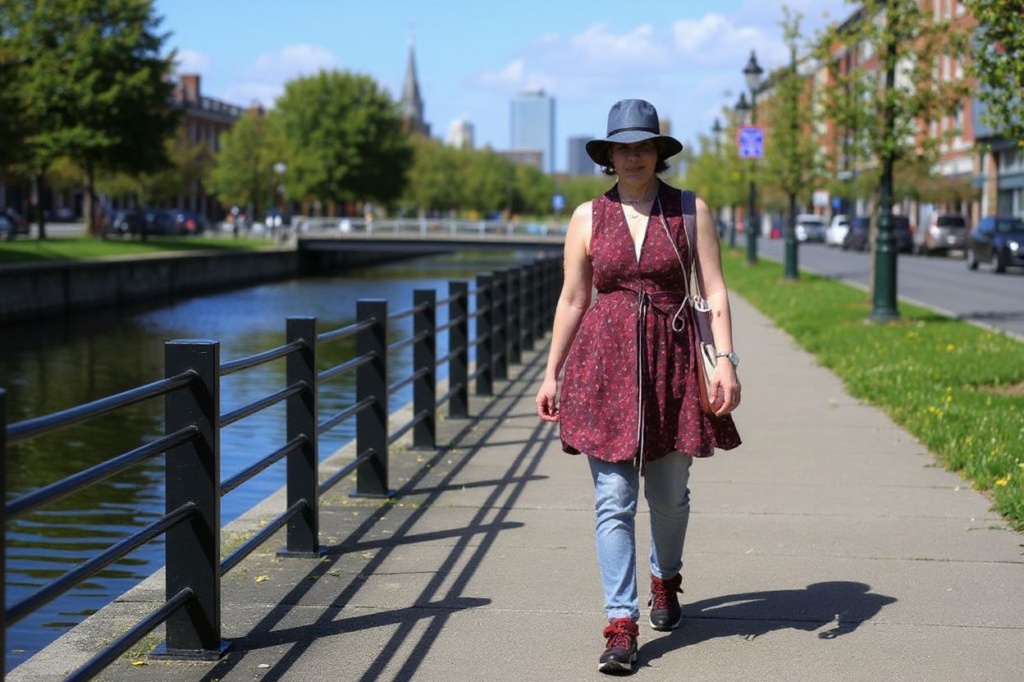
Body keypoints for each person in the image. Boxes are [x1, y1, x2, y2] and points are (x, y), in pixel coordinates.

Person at [535, 99, 742, 674]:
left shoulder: (690, 210)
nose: (633, 157)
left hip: (674, 361)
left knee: (669, 496)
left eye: (642, 147)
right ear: (608, 155)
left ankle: (665, 579)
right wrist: (552, 371)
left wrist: (724, 360)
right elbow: (574, 298)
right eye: (622, 148)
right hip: (603, 365)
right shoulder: (585, 217)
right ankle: (620, 624)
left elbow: (714, 290)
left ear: (658, 152)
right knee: (613, 500)